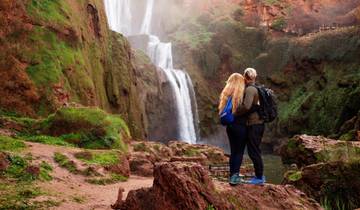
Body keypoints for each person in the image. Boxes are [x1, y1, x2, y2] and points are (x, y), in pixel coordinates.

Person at [236, 68, 266, 185]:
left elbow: (247, 106)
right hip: (259, 123)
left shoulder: (250, 89)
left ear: (245, 77)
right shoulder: (258, 88)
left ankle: (259, 177)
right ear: (255, 77)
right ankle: (259, 175)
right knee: (255, 150)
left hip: (254, 124)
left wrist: (236, 111)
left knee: (253, 151)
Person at [218, 73, 247, 185]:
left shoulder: (226, 95)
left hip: (230, 127)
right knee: (239, 152)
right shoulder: (240, 95)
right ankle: (235, 178)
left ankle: (232, 175)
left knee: (234, 152)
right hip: (239, 127)